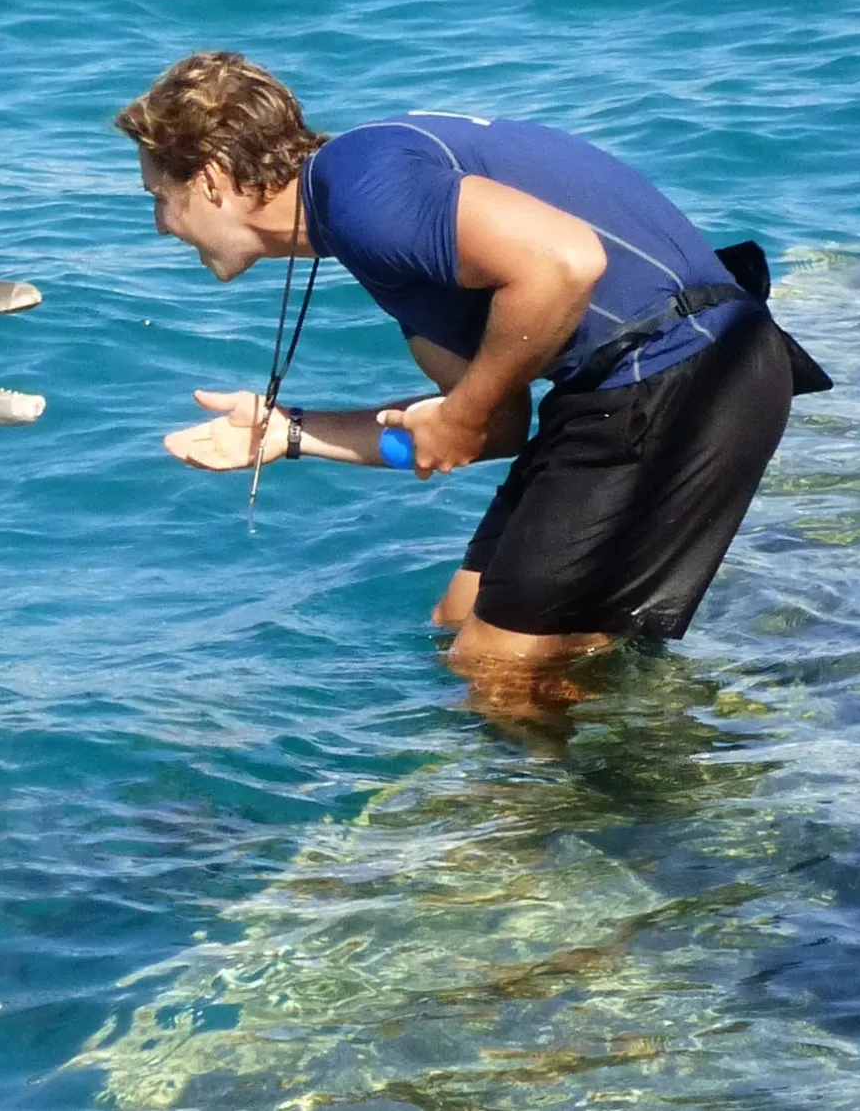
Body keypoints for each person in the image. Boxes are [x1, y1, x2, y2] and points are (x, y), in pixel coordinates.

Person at [115, 51, 800, 679]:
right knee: (458, 621)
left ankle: (585, 807)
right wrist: (288, 433)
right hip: (642, 385)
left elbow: (566, 262)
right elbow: (494, 427)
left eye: (157, 198)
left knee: (498, 670)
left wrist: (464, 413)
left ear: (209, 180)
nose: (158, 227)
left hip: (678, 375)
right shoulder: (371, 227)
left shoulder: (366, 195)